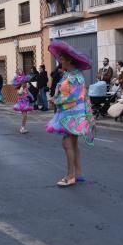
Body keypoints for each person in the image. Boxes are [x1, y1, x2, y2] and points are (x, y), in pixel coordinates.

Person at [46, 41, 95, 188]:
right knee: (72, 143)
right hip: (69, 113)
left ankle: (70, 176)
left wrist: (57, 101)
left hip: (73, 115)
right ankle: (78, 173)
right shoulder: (69, 74)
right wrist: (57, 97)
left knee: (67, 143)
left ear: (69, 60)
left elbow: (74, 96)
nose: (59, 61)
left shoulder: (76, 76)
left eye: (62, 58)